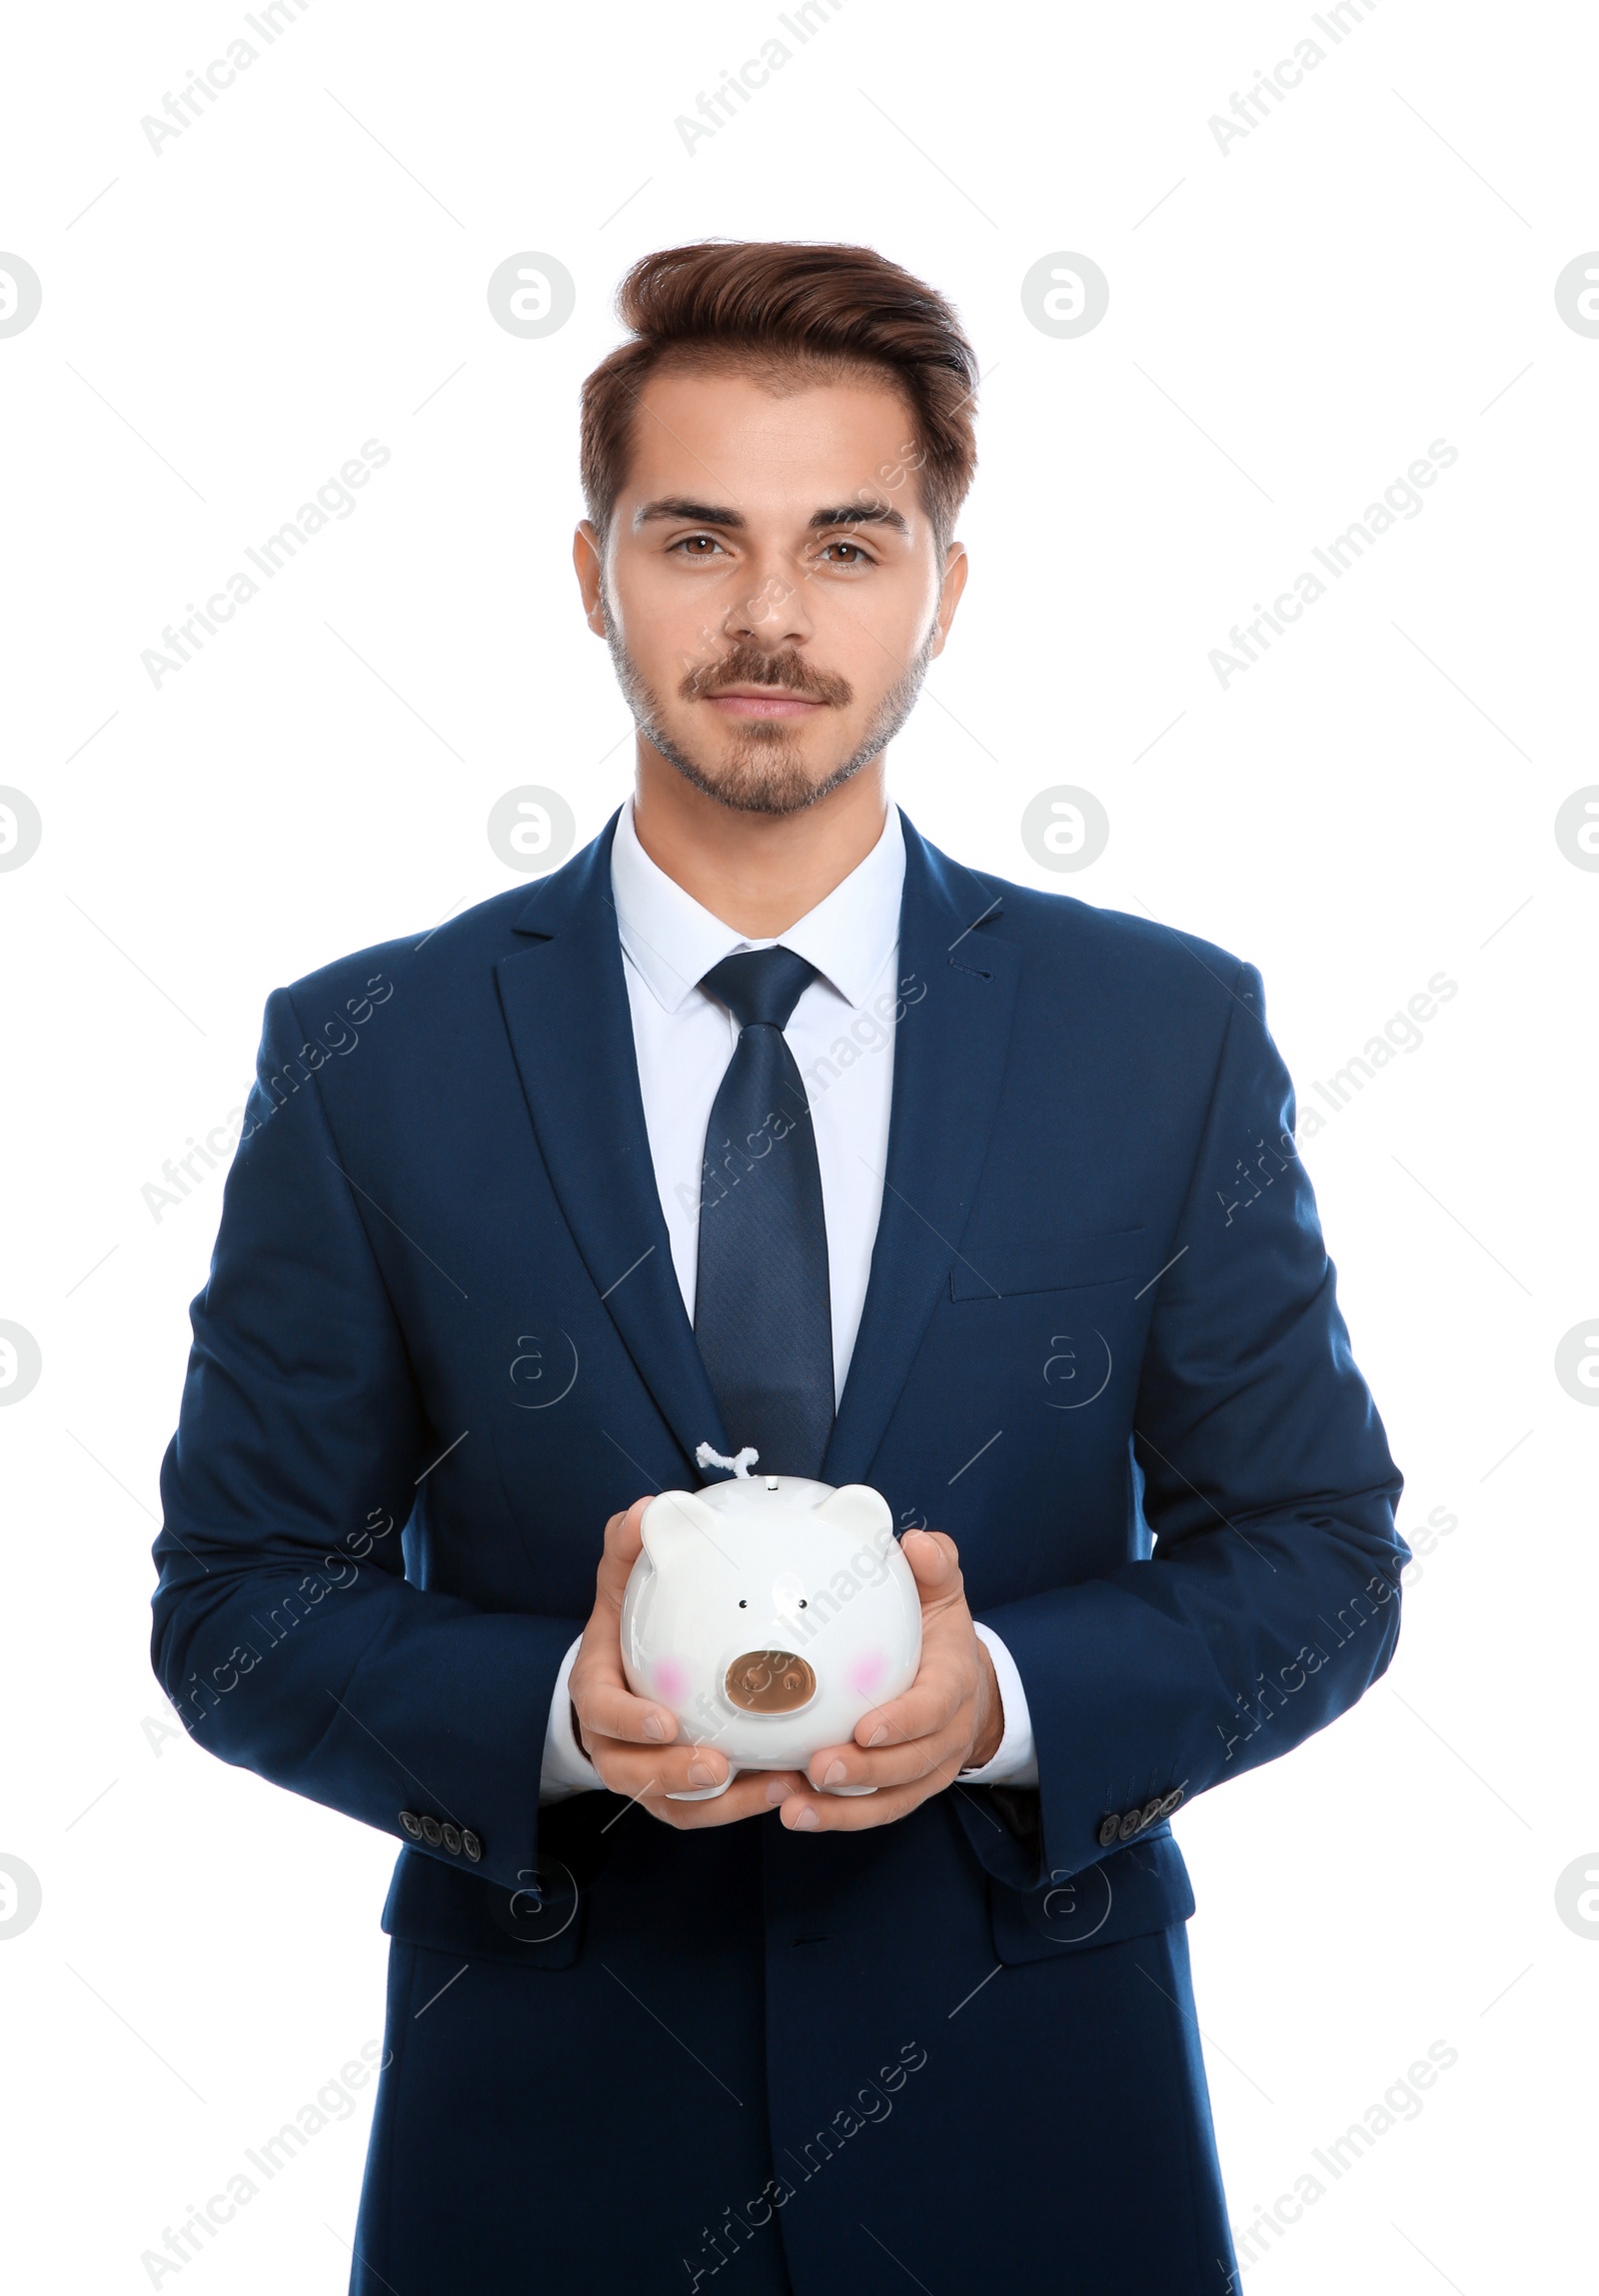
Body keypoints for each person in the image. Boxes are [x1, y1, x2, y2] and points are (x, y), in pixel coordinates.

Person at [151, 240, 1407, 2295]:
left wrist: (997, 1701)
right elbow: (233, 1604)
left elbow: (1315, 1556)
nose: (763, 619)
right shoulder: (373, 1052)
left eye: (842, 544)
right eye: (693, 538)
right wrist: (552, 1712)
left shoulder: (1152, 1034)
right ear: (590, 574)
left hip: (1032, 2129)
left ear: (939, 585)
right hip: (544, 2156)